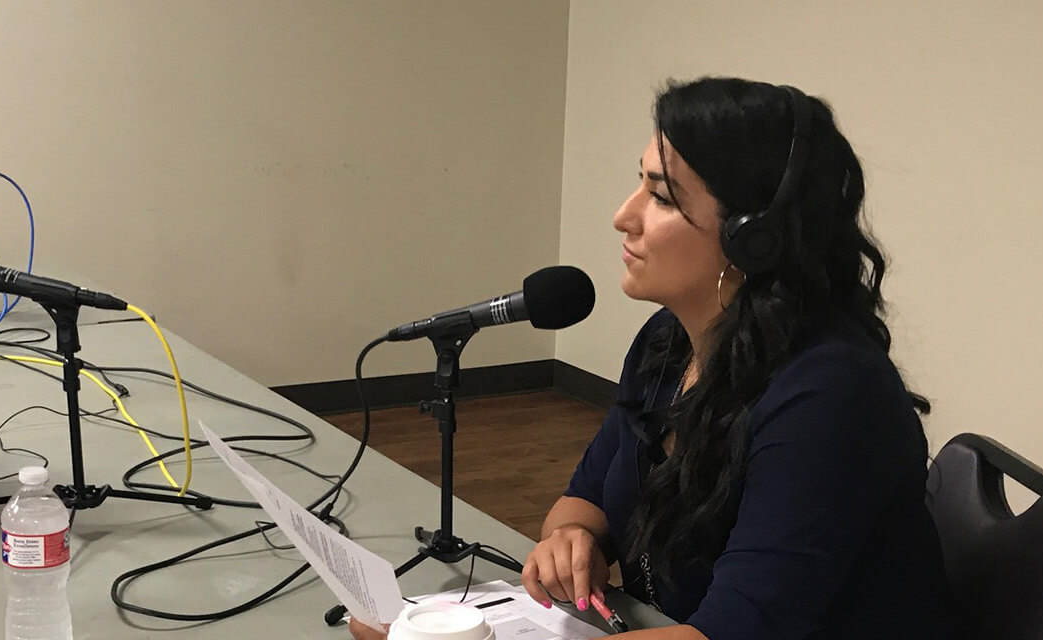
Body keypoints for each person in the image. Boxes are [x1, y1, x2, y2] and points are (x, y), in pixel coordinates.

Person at [354, 77, 951, 640]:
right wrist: (573, 535)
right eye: (639, 183)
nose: (624, 215)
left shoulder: (830, 395)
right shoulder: (668, 342)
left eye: (661, 196)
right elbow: (584, 494)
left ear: (754, 237)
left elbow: (729, 634)